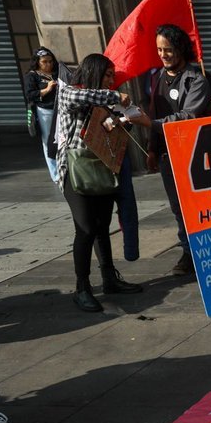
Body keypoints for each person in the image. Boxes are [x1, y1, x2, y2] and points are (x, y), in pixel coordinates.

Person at [55, 53, 145, 312]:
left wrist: (123, 121)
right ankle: (81, 288)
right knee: (85, 228)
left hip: (102, 169)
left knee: (102, 226)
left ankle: (109, 278)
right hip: (75, 172)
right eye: (107, 75)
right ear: (94, 72)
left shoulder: (103, 99)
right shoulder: (72, 93)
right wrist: (116, 97)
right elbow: (81, 99)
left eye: (112, 77)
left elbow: (104, 129)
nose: (110, 81)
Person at [133, 23, 211, 278]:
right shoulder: (157, 78)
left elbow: (188, 115)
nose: (163, 54)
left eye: (167, 49)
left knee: (200, 205)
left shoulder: (197, 79)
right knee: (178, 208)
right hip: (168, 154)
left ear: (180, 48)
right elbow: (155, 112)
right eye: (159, 50)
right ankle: (189, 252)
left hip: (194, 154)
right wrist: (152, 148)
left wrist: (151, 124)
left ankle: (209, 250)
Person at [24, 47, 59, 182]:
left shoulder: (56, 73)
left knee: (62, 138)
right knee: (48, 141)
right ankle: (55, 174)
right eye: (44, 62)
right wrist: (47, 89)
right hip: (45, 111)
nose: (48, 64)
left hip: (59, 109)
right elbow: (30, 95)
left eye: (50, 61)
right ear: (38, 62)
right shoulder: (32, 75)